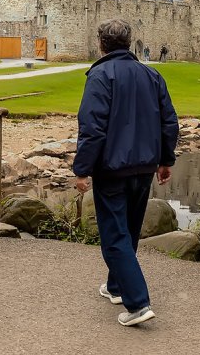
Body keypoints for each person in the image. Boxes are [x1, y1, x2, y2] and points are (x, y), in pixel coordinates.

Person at [73, 18, 178, 327]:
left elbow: (92, 129)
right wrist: (165, 160)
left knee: (115, 235)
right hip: (144, 166)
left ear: (101, 44)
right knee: (128, 229)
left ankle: (138, 303)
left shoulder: (101, 75)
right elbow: (169, 122)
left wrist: (82, 170)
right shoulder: (151, 74)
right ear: (130, 43)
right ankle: (117, 286)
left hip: (112, 168)